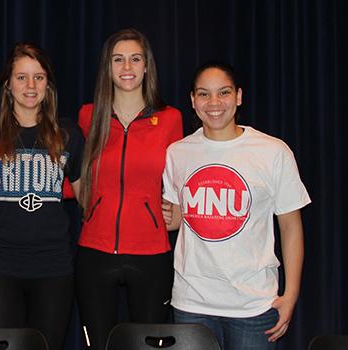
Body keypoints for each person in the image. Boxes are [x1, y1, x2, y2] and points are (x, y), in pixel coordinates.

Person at [162, 61, 310, 349]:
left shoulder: (272, 152)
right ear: (193, 101)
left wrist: (290, 295)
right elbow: (178, 218)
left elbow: (291, 227)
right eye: (204, 94)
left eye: (224, 92)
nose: (214, 102)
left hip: (253, 306)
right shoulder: (178, 153)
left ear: (239, 96)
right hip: (192, 303)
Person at [0, 42, 84, 350]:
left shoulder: (69, 135)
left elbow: (86, 191)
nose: (30, 86)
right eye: (22, 77)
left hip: (53, 267)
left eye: (39, 77)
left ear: (48, 84)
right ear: (8, 85)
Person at [74, 28, 183, 350]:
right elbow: (69, 173)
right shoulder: (88, 116)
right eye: (118, 59)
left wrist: (179, 212)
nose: (127, 67)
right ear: (107, 67)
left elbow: (184, 179)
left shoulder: (170, 119)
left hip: (151, 253)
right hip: (95, 251)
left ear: (147, 65)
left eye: (135, 59)